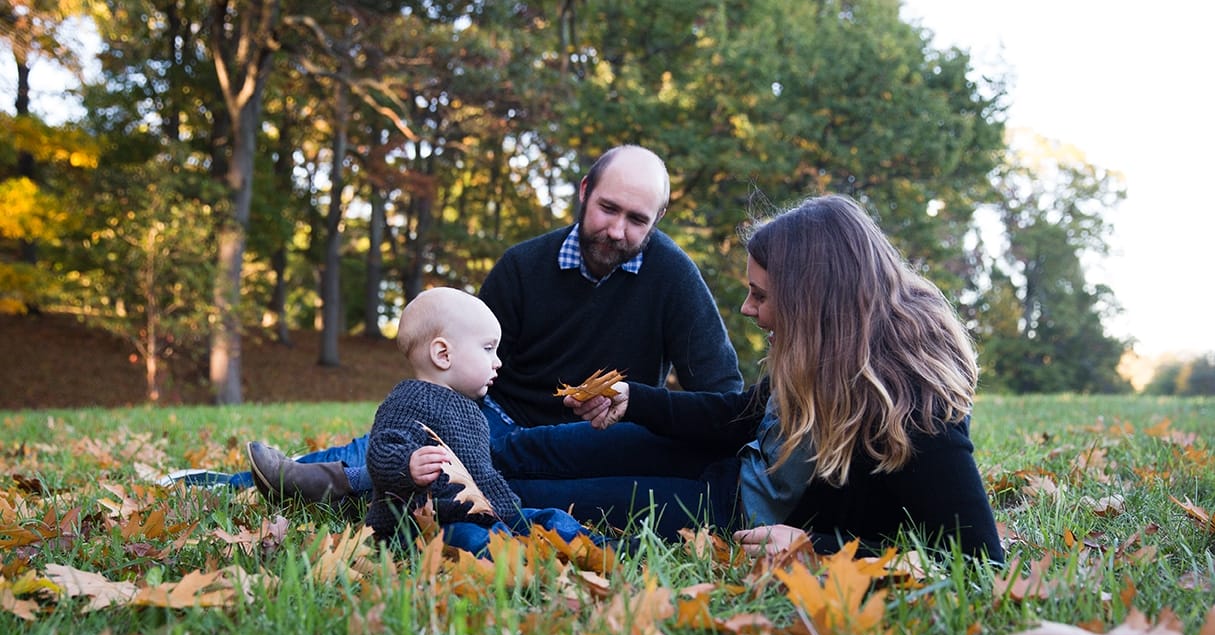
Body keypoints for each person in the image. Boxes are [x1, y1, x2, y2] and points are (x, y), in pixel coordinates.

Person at [235, 145, 743, 527]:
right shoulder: (523, 268)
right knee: (391, 440)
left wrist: (642, 407)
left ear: (657, 221)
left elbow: (721, 391)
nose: (617, 230)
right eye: (609, 209)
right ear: (585, 190)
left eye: (637, 220)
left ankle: (321, 485)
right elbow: (459, 364)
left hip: (592, 436)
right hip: (494, 416)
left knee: (440, 460)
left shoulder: (674, 278)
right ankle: (231, 483)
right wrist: (448, 417)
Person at [567, 194, 1004, 562]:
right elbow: (743, 415)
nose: (746, 308)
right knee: (545, 449)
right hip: (725, 468)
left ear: (811, 305)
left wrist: (815, 546)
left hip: (730, 514)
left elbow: (977, 557)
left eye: (760, 295)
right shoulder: (827, 353)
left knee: (544, 495)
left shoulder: (913, 401)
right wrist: (637, 401)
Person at [364, 286, 625, 556]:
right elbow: (381, 450)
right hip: (429, 524)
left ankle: (596, 547)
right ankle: (517, 562)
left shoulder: (470, 410)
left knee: (548, 518)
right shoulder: (410, 398)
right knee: (474, 540)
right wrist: (408, 466)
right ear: (443, 355)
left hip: (490, 513)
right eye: (488, 349)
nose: (497, 362)